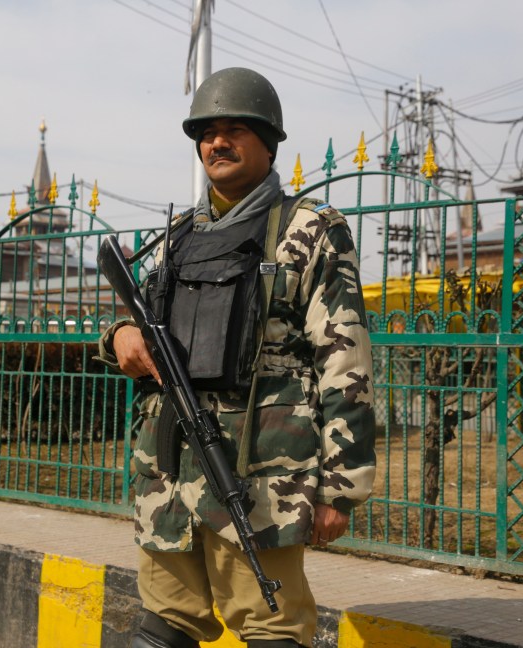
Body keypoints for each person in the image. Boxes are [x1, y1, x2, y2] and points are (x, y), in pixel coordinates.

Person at [97, 67, 376, 648]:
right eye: (207, 132)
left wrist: (338, 489)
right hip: (170, 470)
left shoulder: (311, 230)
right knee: (162, 625)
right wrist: (120, 335)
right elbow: (139, 316)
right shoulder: (178, 236)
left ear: (267, 141)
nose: (217, 143)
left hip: (258, 476)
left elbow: (344, 361)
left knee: (272, 628)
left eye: (234, 130)